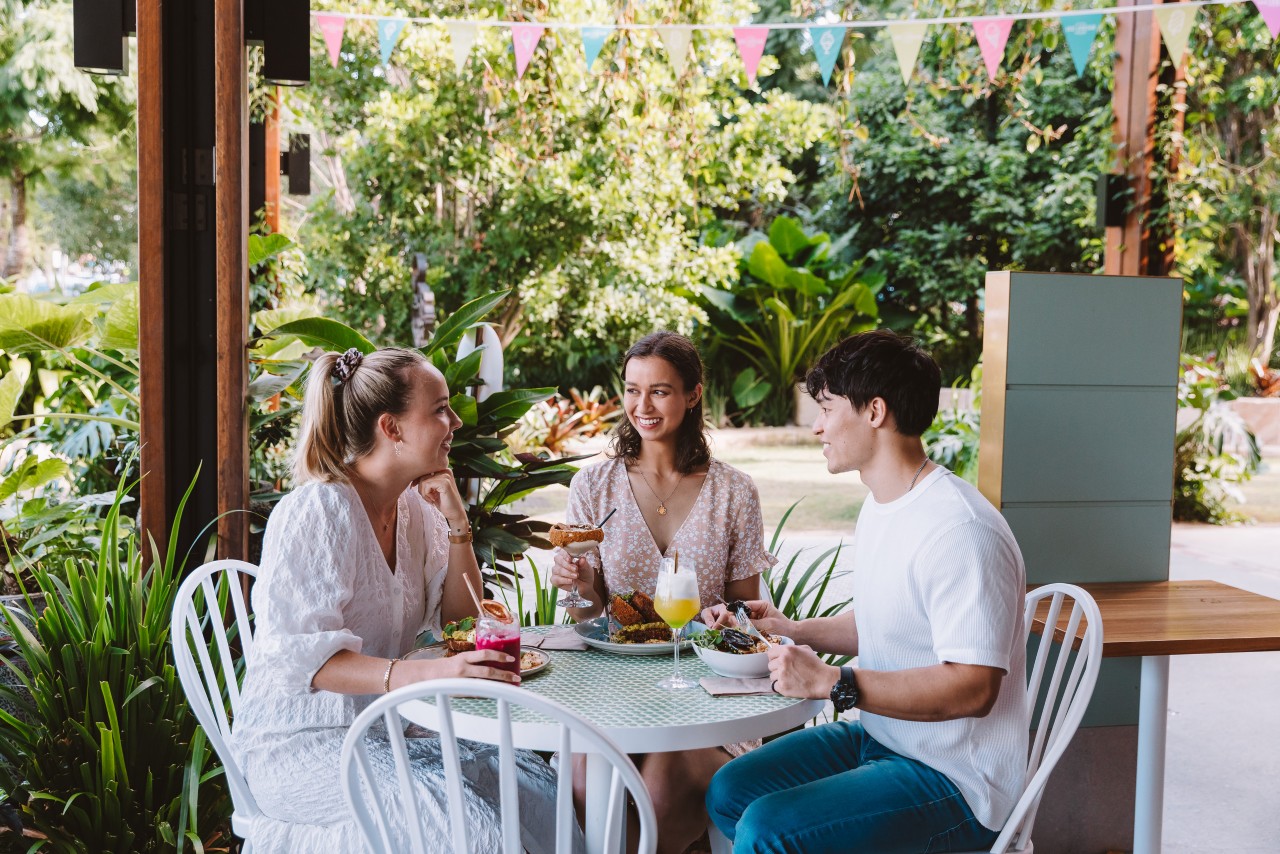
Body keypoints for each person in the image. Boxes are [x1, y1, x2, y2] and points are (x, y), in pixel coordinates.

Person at [233, 347, 572, 853]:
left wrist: (458, 527)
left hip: (387, 729)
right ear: (391, 428)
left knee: (530, 787)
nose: (455, 421)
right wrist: (424, 675)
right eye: (439, 409)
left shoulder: (413, 509)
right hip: (302, 744)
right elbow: (304, 660)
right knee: (470, 825)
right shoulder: (318, 511)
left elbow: (460, 620)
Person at [701, 330, 1028, 854]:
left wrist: (836, 681)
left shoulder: (960, 530)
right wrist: (790, 630)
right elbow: (889, 620)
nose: (815, 426)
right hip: (886, 738)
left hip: (957, 782)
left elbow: (974, 687)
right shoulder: (884, 504)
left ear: (874, 411)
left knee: (768, 829)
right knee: (730, 790)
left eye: (827, 408)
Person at [550, 331, 776, 854]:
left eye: (660, 391)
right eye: (632, 390)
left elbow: (746, 611)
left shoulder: (734, 491)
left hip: (703, 685)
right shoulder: (594, 486)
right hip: (613, 686)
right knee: (585, 779)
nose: (641, 406)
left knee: (660, 793)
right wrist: (580, 585)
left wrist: (730, 619)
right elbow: (590, 612)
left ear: (693, 394)